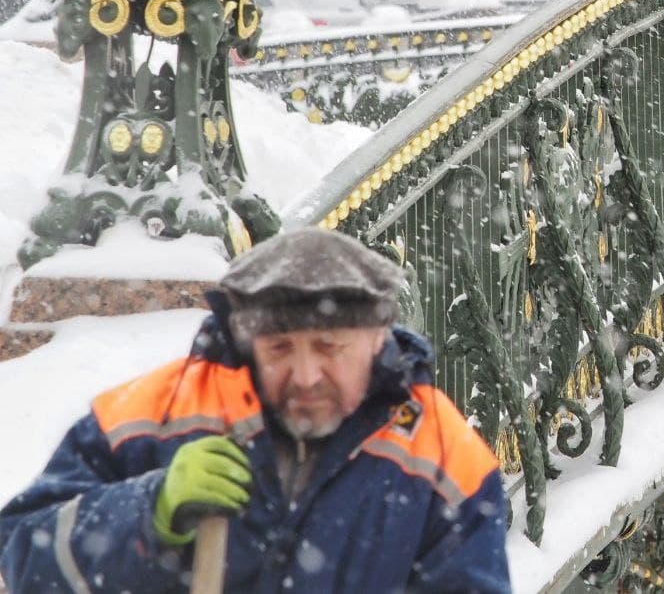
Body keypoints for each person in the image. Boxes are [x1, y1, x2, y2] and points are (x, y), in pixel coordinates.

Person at [0, 228, 511, 593]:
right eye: (280, 350)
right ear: (246, 343)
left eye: (330, 347)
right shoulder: (150, 419)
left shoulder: (442, 456)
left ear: (378, 341)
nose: (307, 376)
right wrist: (148, 511)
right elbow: (21, 557)